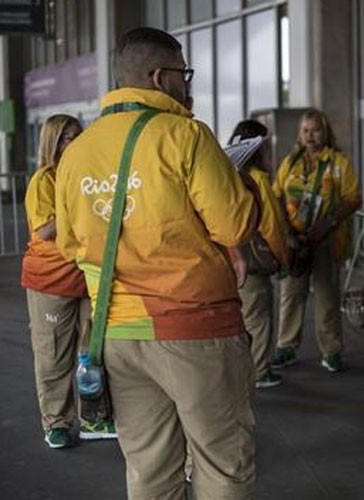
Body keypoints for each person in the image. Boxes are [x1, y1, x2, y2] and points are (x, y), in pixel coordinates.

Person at [55, 27, 259, 499]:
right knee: (222, 462)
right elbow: (234, 227)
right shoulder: (186, 136)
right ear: (161, 77)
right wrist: (237, 182)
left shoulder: (79, 151)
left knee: (149, 470)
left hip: (119, 336)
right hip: (195, 330)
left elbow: (69, 244)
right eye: (184, 74)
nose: (188, 85)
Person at [21, 114, 118, 449]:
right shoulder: (43, 180)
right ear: (52, 142)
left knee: (90, 354)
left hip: (87, 274)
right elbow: (44, 230)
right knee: (53, 356)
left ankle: (92, 417)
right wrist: (82, 206)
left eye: (78, 135)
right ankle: (56, 423)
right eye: (66, 137)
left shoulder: (84, 175)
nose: (74, 142)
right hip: (50, 280)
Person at [271, 109, 361, 372]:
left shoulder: (339, 163)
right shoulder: (291, 162)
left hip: (325, 241)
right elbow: (276, 195)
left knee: (326, 297)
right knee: (291, 294)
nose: (310, 136)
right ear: (300, 134)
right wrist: (287, 231)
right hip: (294, 241)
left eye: (316, 130)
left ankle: (331, 350)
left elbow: (353, 198)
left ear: (325, 132)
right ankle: (286, 346)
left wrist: (329, 222)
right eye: (306, 130)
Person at [229, 119, 291, 389]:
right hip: (254, 264)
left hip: (232, 262)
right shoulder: (259, 181)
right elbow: (272, 227)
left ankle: (242, 370)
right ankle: (260, 372)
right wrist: (283, 259)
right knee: (259, 319)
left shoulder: (230, 176)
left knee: (242, 319)